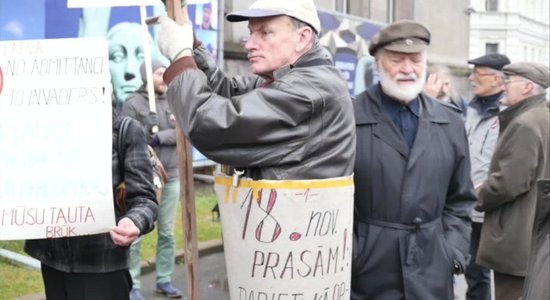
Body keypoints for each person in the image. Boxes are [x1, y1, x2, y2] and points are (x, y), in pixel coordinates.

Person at [154, 0, 355, 181]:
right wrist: (191, 44)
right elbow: (226, 93)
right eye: (251, 32)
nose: (249, 44)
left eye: (265, 32)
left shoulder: (307, 91)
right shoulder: (289, 80)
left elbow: (213, 126)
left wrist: (181, 58)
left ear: (302, 38)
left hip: (290, 221)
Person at [351, 20, 476, 299]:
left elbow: (461, 200)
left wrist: (452, 252)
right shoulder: (349, 118)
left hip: (432, 271)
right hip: (367, 276)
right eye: (396, 60)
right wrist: (354, 254)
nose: (408, 69)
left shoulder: (450, 121)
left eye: (416, 60)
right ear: (378, 63)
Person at [24, 99, 158, 300]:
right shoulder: (41, 129)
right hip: (53, 263)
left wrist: (134, 221)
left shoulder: (124, 130)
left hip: (102, 264)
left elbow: (145, 199)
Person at [475, 62, 550, 300]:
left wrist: (477, 194)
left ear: (528, 87)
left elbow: (510, 182)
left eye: (509, 80)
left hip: (517, 240)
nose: (503, 86)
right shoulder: (543, 118)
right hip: (535, 237)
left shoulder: (525, 124)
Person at [120, 60, 182, 299]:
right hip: (143, 179)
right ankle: (133, 284)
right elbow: (126, 138)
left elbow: (183, 131)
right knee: (135, 233)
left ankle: (164, 279)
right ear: (147, 75)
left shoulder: (175, 100)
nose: (164, 76)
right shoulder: (132, 103)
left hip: (172, 176)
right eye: (159, 73)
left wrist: (160, 137)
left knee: (167, 232)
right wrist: (146, 131)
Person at [463, 53, 510, 300]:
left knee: (500, 273)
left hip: (492, 207)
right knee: (472, 270)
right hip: (467, 206)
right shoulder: (471, 108)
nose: (471, 79)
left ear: (497, 79)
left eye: (477, 74)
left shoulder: (509, 113)